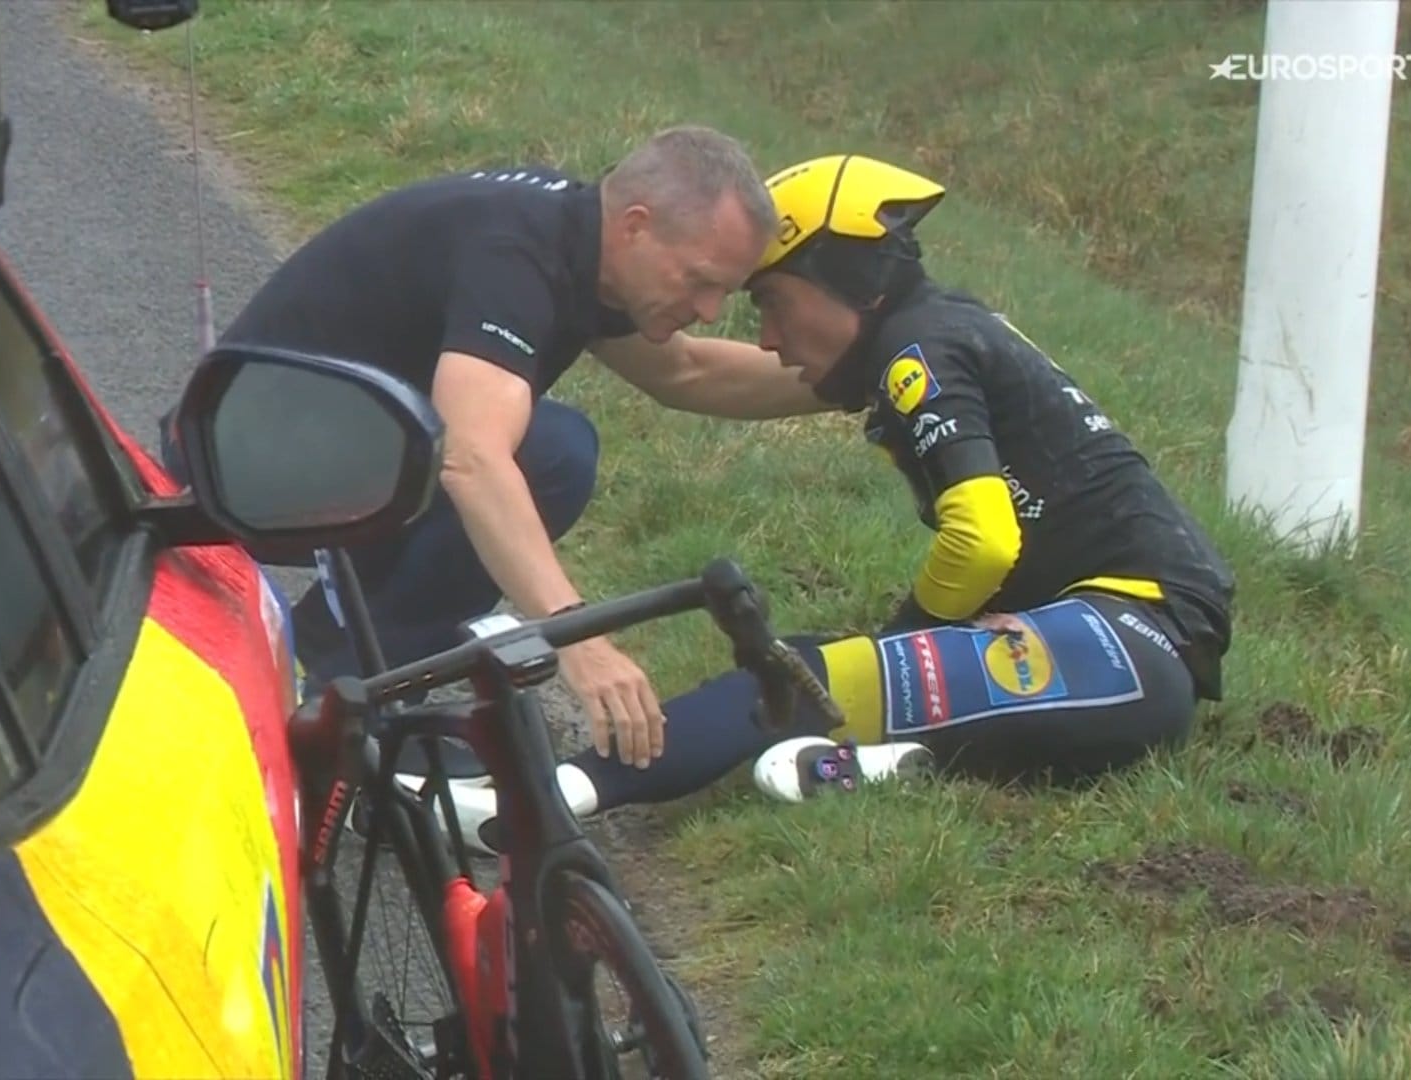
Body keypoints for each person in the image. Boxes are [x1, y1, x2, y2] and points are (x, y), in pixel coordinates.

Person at [407, 153, 1237, 856]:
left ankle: (538, 803)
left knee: (798, 674)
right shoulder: (946, 328)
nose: (766, 337)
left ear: (845, 282)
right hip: (1130, 658)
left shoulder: (923, 352)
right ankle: (872, 765)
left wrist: (907, 638)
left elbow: (983, 537)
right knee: (858, 698)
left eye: (771, 302)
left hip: (1125, 644)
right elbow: (692, 375)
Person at [161, 126, 831, 767]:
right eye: (700, 281)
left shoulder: (581, 241)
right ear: (636, 225)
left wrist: (850, 374)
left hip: (312, 437)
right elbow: (472, 457)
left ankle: (335, 673)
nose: (710, 308)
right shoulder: (516, 255)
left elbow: (687, 372)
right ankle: (335, 694)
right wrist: (580, 642)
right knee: (549, 457)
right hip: (240, 466)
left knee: (552, 449)